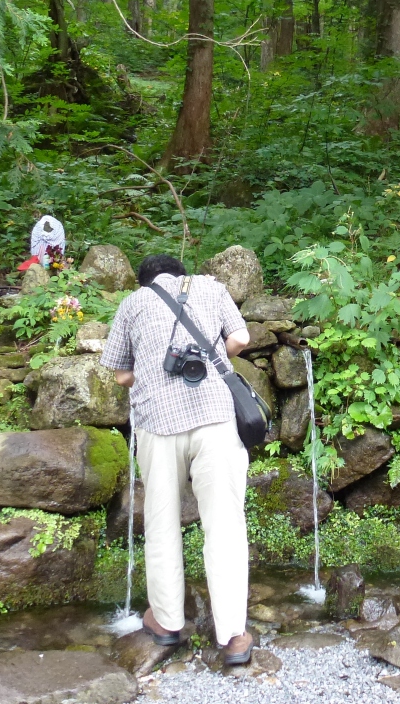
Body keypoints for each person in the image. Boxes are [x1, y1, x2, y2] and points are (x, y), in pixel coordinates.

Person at [100, 253, 254, 665]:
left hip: (158, 424)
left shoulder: (133, 303)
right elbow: (241, 339)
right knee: (225, 525)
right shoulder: (211, 287)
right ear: (182, 275)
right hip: (215, 420)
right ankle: (233, 636)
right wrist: (214, 359)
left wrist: (153, 372)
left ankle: (167, 622)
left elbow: (120, 374)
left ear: (144, 281)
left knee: (162, 522)